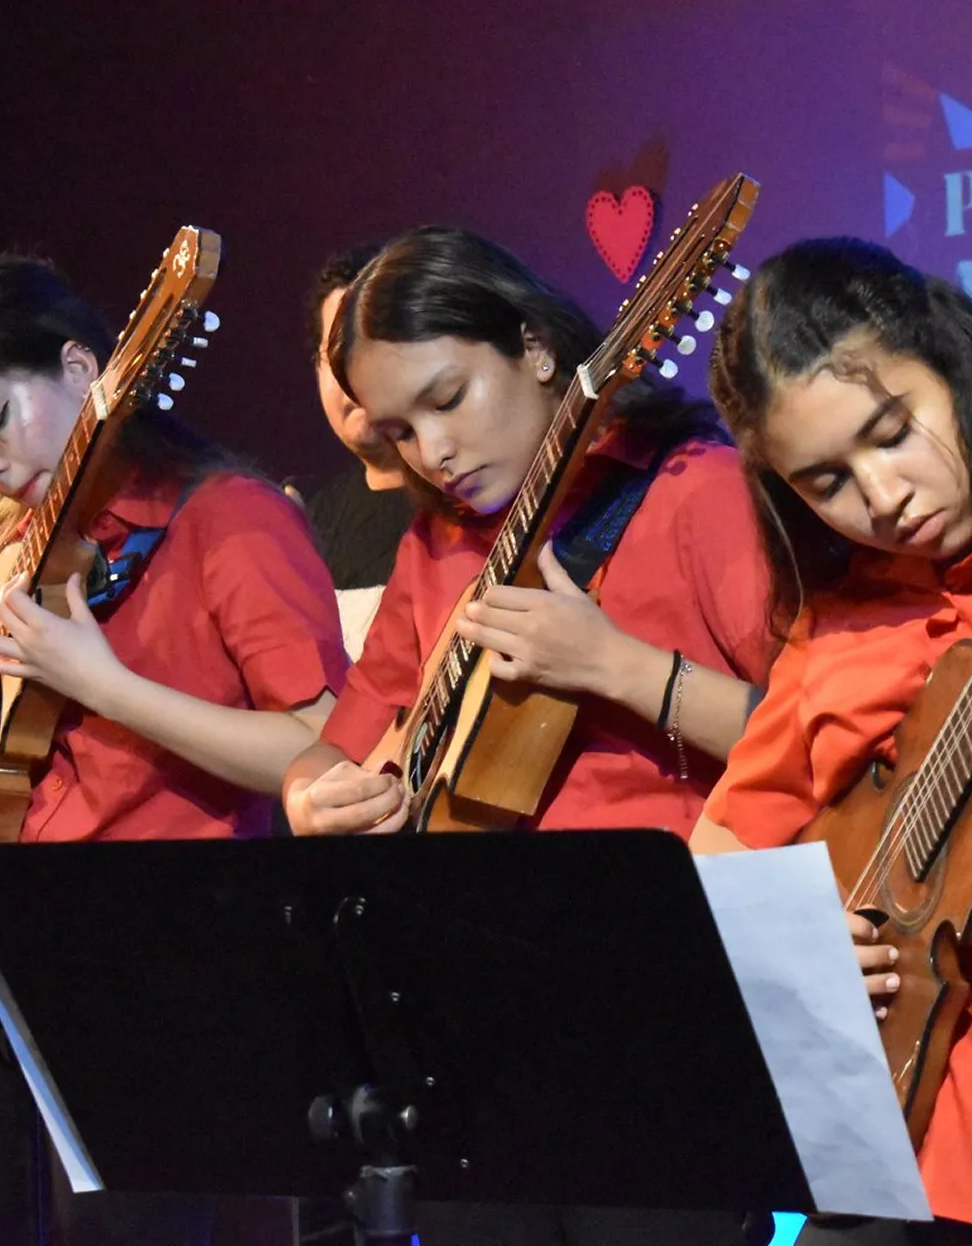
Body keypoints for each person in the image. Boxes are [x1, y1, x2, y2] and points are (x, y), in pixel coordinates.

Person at [280, 225, 771, 1246]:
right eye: (401, 432)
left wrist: (620, 670)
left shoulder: (697, 491)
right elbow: (340, 743)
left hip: (659, 1004)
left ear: (538, 348)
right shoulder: (441, 539)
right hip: (475, 1015)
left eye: (448, 400)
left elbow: (825, 746)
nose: (435, 452)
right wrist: (314, 797)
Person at [0, 252, 349, 1245]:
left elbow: (325, 750)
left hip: (168, 955)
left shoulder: (230, 518)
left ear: (77, 366)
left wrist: (109, 690)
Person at [695, 237, 972, 1244]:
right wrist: (792, 945)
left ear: (957, 364)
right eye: (826, 481)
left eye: (893, 432)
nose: (882, 495)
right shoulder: (830, 629)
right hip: (890, 1144)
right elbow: (718, 859)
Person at [293, 242, 415, 661]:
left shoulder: (472, 498)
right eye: (336, 356)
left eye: (369, 349)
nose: (352, 378)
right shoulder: (308, 523)